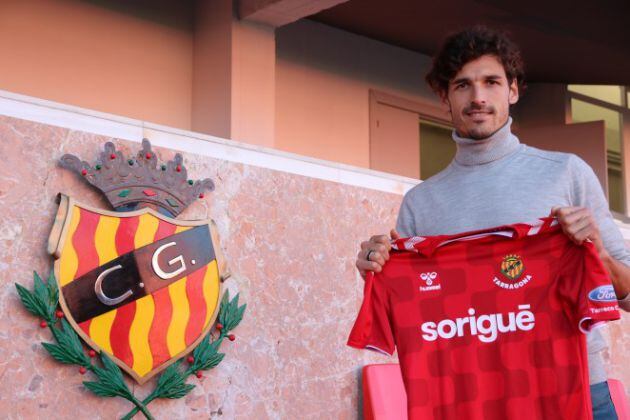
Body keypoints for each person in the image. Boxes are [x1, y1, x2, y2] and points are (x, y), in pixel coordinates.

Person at [355, 26, 630, 419]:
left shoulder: (567, 173)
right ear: (444, 97)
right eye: (463, 85)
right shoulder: (421, 204)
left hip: (576, 390)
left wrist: (597, 254)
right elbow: (412, 325)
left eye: (491, 82)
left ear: (513, 90)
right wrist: (377, 275)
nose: (478, 97)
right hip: (475, 402)